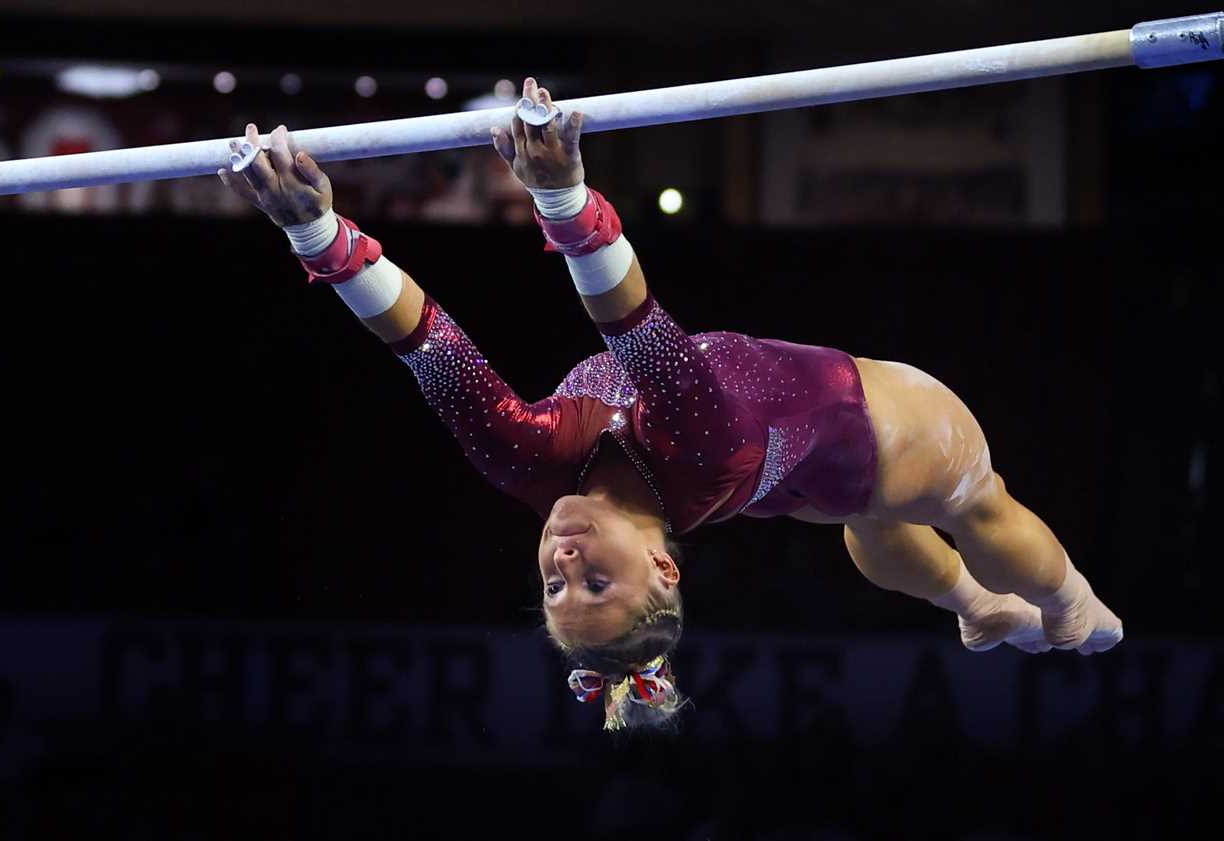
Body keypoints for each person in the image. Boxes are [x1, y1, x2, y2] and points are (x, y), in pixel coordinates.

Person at [217, 78, 1123, 731]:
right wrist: (560, 195)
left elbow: (428, 345)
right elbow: (635, 327)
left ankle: (976, 606)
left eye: (552, 582)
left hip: (797, 480)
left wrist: (316, 230)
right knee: (970, 500)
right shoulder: (700, 453)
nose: (564, 560)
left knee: (873, 533)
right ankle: (1071, 603)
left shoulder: (527, 459)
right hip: (881, 425)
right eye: (594, 581)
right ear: (663, 567)